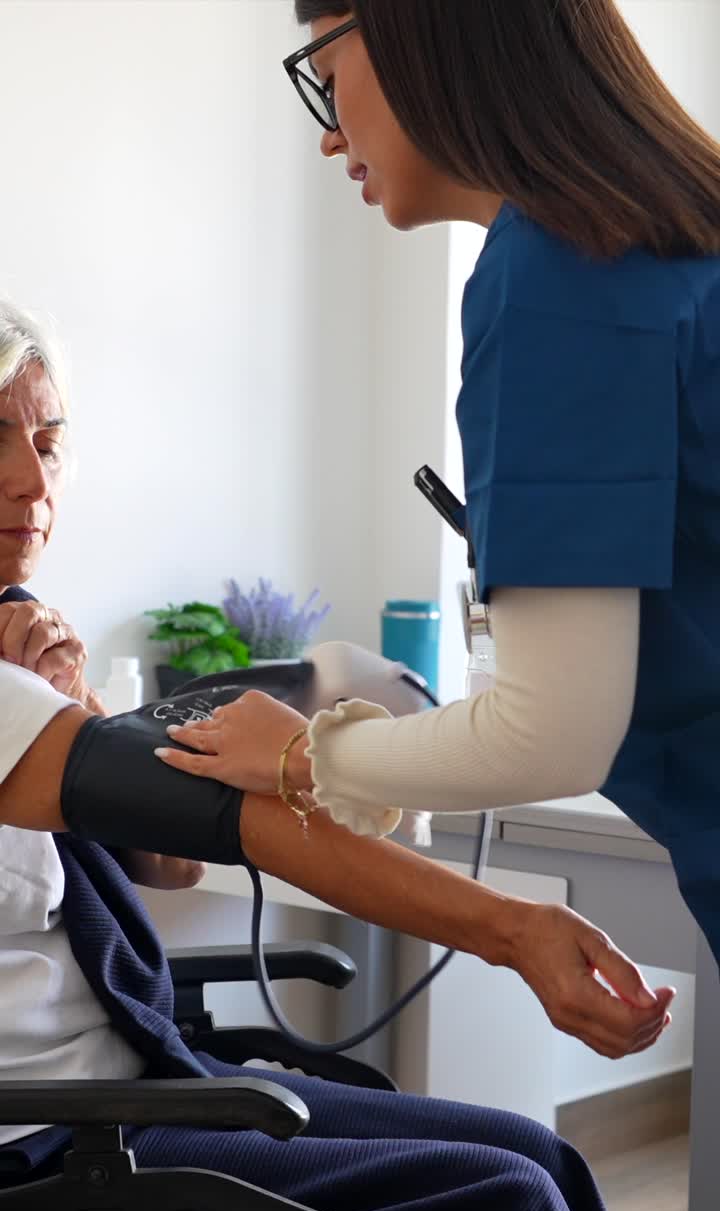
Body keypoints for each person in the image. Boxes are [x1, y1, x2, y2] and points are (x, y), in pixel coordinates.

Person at [0, 301, 669, 1211]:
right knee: (505, 1201)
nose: (33, 478)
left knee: (542, 1153)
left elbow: (171, 861)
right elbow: (247, 827)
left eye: (50, 441)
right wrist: (515, 930)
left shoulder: (25, 659)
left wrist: (74, 701)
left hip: (143, 1080)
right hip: (53, 1137)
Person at [160, 0, 720, 983]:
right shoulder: (673, 233)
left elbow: (552, 733)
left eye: (328, 79)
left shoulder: (556, 276)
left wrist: (307, 755)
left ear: (421, 34)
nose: (331, 135)